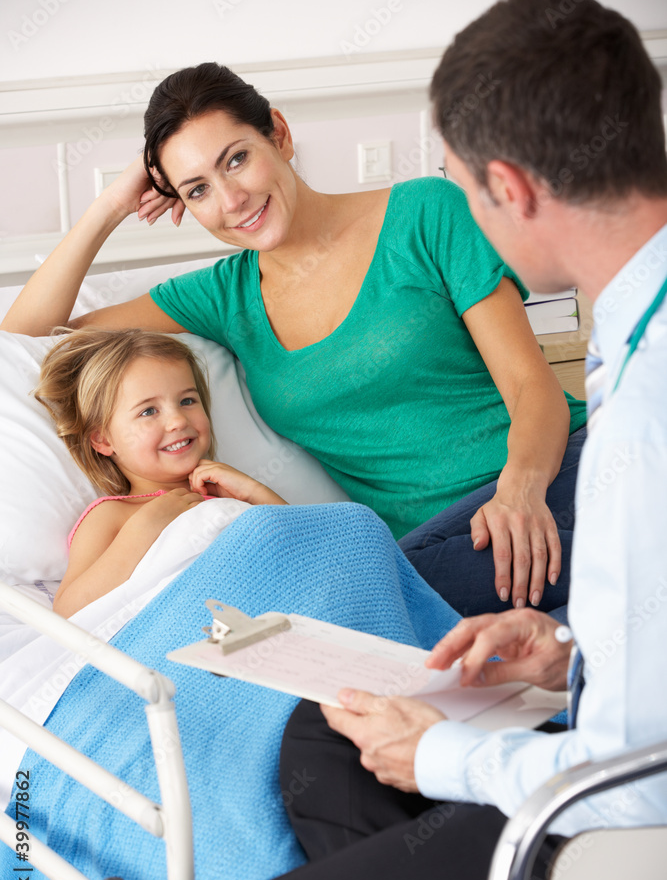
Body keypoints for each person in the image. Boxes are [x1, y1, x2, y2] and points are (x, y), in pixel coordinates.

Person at [162, 0, 667, 880]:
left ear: (505, 189)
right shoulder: (630, 331)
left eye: (462, 186)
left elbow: (627, 779)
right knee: (328, 740)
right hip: (595, 718)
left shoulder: (643, 414)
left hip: (615, 822)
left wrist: (446, 760)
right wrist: (569, 651)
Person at [3, 62, 587, 618]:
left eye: (236, 159)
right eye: (197, 190)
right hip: (432, 550)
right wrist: (110, 205)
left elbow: (531, 387)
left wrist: (519, 491)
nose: (231, 200)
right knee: (375, 610)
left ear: (278, 134)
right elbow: (23, 337)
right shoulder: (222, 297)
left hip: (552, 474)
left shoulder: (426, 213)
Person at [35, 329, 286, 617]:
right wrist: (141, 531)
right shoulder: (113, 515)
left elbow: (304, 545)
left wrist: (254, 492)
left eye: (187, 401)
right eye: (148, 411)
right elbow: (68, 612)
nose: (177, 420)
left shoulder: (228, 493)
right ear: (103, 440)